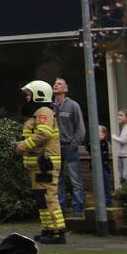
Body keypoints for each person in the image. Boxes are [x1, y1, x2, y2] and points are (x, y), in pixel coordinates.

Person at [14, 80, 66, 244]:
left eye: (29, 94)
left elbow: (43, 134)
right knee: (41, 198)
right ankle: (48, 229)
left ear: (39, 94)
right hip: (37, 165)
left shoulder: (44, 111)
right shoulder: (37, 113)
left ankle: (58, 232)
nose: (27, 97)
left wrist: (23, 145)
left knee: (49, 197)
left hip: (45, 164)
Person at [52, 78, 86, 217]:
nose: (55, 85)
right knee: (57, 180)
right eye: (54, 83)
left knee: (75, 180)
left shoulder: (73, 106)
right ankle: (61, 208)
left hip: (70, 148)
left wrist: (74, 144)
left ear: (65, 89)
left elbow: (80, 127)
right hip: (55, 148)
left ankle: (78, 209)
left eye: (59, 83)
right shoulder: (50, 107)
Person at [98, 125, 113, 207]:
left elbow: (102, 151)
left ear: (104, 135)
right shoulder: (95, 143)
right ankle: (101, 201)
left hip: (104, 167)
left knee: (105, 184)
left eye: (99, 132)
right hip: (97, 168)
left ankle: (107, 201)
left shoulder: (105, 143)